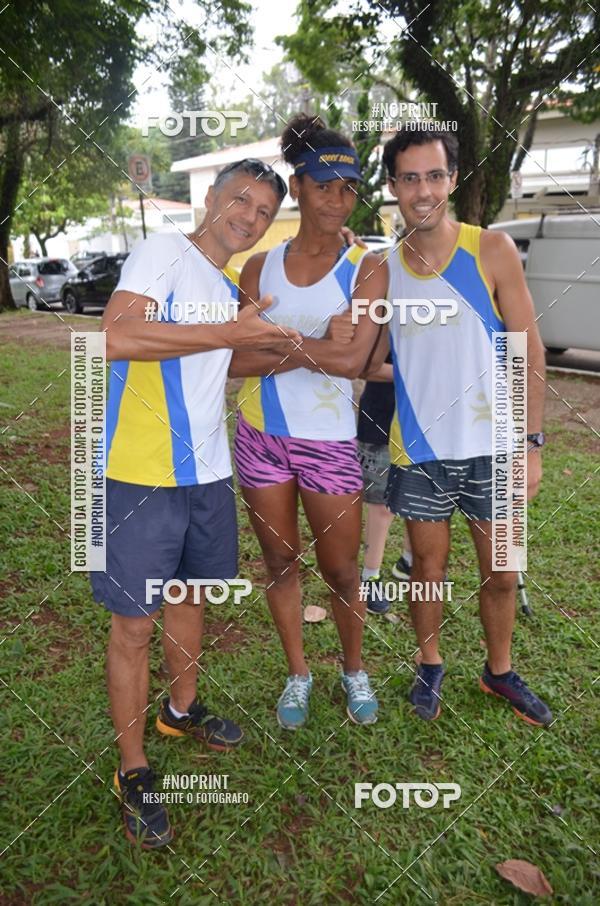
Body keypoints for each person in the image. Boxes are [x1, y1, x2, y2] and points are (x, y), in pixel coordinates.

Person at [93, 159, 302, 849]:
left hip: (207, 474)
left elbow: (209, 359)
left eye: (264, 210)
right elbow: (118, 336)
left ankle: (180, 710)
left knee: (190, 597)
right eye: (240, 198)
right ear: (209, 198)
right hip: (138, 476)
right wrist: (231, 334)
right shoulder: (163, 251)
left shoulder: (220, 284)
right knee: (135, 625)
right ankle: (134, 769)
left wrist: (284, 349)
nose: (249, 215)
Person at [382, 128, 552, 726]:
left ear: (452, 180)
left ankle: (497, 671)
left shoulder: (492, 250)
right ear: (393, 187)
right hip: (421, 451)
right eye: (410, 178)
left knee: (502, 571)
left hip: (496, 448)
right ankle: (430, 663)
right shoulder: (383, 270)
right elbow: (364, 352)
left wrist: (531, 445)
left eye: (434, 176)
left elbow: (528, 350)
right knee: (428, 571)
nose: (422, 189)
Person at [229, 115, 388, 730]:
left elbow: (352, 361)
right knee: (280, 563)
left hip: (327, 444)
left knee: (343, 569)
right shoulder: (257, 268)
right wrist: (311, 339)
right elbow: (234, 360)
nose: (337, 199)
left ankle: (353, 668)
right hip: (260, 439)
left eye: (348, 189)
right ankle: (299, 673)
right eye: (324, 186)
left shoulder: (366, 266)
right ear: (298, 188)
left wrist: (277, 345)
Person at [356, 351, 412, 616]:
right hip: (381, 419)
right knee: (383, 505)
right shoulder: (381, 313)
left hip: (425, 420)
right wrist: (414, 374)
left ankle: (409, 562)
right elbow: (364, 366)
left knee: (421, 496)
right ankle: (370, 576)